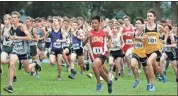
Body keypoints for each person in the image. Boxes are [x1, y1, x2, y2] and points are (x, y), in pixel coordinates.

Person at [3, 11, 41, 93]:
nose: (13, 19)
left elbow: (29, 37)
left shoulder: (22, 27)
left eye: (15, 17)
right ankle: (10, 86)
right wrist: (9, 38)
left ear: (18, 19)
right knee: (12, 64)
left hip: (24, 52)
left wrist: (17, 37)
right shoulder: (11, 28)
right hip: (15, 51)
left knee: (27, 70)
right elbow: (9, 37)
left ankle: (35, 64)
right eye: (12, 17)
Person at [83, 16, 113, 93]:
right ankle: (109, 83)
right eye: (92, 23)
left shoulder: (104, 31)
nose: (94, 24)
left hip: (103, 53)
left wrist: (109, 42)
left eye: (95, 23)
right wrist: (87, 38)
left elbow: (110, 37)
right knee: (100, 70)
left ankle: (99, 83)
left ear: (99, 23)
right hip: (93, 55)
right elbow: (83, 44)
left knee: (94, 66)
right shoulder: (89, 32)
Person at [143, 9, 168, 91]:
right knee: (156, 67)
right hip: (147, 50)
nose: (149, 17)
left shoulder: (158, 26)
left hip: (157, 49)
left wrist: (164, 40)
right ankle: (162, 74)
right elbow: (136, 36)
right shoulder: (144, 27)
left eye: (150, 16)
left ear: (154, 17)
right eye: (148, 16)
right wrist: (142, 38)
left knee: (149, 62)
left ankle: (152, 84)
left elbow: (166, 32)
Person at [131, 17, 149, 89]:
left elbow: (145, 39)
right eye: (136, 23)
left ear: (142, 25)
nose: (137, 25)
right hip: (135, 52)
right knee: (132, 65)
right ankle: (137, 79)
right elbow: (133, 38)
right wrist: (137, 37)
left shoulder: (146, 32)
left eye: (139, 23)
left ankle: (148, 83)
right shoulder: (134, 32)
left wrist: (137, 37)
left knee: (146, 72)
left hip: (144, 54)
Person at [49, 16, 64, 80]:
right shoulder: (51, 30)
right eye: (53, 21)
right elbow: (45, 37)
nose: (54, 22)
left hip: (60, 49)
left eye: (55, 21)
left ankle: (59, 75)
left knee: (59, 64)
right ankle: (54, 61)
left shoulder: (61, 30)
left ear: (58, 22)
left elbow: (65, 39)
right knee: (52, 62)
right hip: (53, 49)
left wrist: (60, 40)